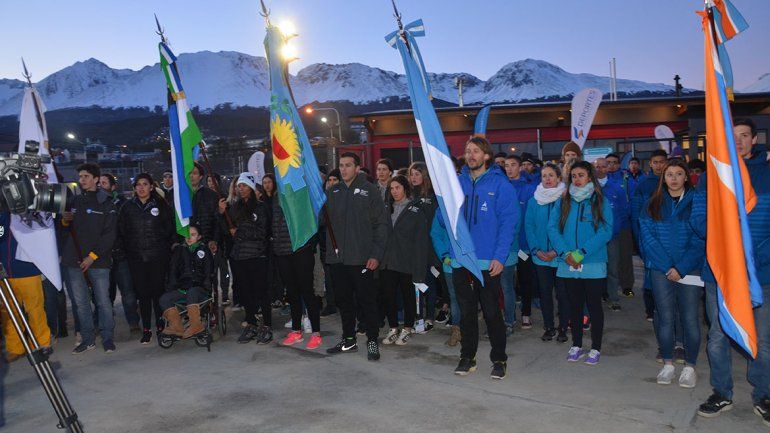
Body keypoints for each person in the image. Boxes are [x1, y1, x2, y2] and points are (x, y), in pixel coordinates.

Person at [693, 119, 770, 425]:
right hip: (720, 272)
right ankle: (721, 391)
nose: (737, 141)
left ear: (754, 139)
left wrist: (752, 256)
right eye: (731, 136)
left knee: (762, 339)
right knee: (717, 337)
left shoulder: (766, 175)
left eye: (744, 136)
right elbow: (698, 220)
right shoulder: (710, 177)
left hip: (761, 273)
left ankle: (763, 393)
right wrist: (726, 248)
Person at [436, 137, 517, 379]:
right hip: (461, 260)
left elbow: (508, 224)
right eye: (468, 151)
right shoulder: (456, 184)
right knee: (466, 312)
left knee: (492, 313)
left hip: (487, 262)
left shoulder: (501, 185)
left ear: (487, 156)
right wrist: (444, 204)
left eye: (476, 151)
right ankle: (467, 356)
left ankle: (499, 359)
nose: (470, 155)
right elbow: (443, 222)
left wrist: (500, 257)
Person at [639, 159, 704, 388]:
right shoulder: (652, 204)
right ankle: (668, 363)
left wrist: (682, 267)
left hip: (691, 270)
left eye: (678, 174)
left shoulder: (698, 202)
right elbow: (647, 238)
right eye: (669, 174)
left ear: (686, 177)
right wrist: (668, 266)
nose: (673, 178)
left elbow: (701, 238)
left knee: (689, 319)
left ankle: (690, 366)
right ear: (663, 178)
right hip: (661, 270)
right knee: (665, 318)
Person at [324, 152, 389, 361]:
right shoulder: (333, 192)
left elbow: (381, 225)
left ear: (358, 168)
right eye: (341, 166)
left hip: (362, 259)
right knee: (344, 302)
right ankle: (349, 339)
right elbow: (322, 222)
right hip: (338, 260)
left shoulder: (370, 191)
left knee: (367, 302)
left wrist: (376, 254)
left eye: (348, 165)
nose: (343, 169)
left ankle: (372, 341)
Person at [548, 161, 613, 365]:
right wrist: (566, 253)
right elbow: (552, 228)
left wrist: (581, 253)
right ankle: (576, 344)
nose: (577, 179)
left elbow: (606, 231)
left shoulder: (600, 200)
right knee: (573, 306)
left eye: (581, 175)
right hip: (567, 263)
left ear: (590, 177)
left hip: (592, 262)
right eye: (574, 175)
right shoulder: (564, 200)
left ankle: (595, 347)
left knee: (594, 306)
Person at [61, 163, 118, 354]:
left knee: (103, 301)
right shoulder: (75, 201)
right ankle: (87, 339)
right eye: (80, 176)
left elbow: (109, 235)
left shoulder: (107, 202)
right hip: (73, 260)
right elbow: (67, 227)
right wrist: (65, 219)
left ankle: (108, 338)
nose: (82, 179)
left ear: (95, 179)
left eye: (86, 176)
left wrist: (92, 257)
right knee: (80, 302)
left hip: (98, 261)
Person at [118, 173, 176, 344]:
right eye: (138, 184)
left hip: (158, 257)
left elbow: (170, 230)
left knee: (158, 292)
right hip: (136, 258)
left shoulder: (162, 206)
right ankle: (146, 329)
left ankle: (160, 325)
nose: (141, 187)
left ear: (151, 187)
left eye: (145, 184)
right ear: (134, 188)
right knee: (142, 294)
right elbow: (121, 232)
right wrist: (122, 253)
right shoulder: (127, 207)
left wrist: (169, 247)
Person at [219, 173, 272, 344]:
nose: (240, 189)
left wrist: (240, 232)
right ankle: (251, 323)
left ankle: (267, 326)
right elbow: (228, 231)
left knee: (261, 291)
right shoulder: (234, 207)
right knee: (246, 293)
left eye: (244, 186)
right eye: (238, 186)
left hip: (257, 255)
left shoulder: (261, 207)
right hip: (239, 256)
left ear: (251, 187)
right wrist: (221, 215)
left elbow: (262, 232)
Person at [273, 184, 323, 351]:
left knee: (307, 292)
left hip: (301, 251)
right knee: (292, 293)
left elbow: (312, 223)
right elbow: (275, 225)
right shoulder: (276, 198)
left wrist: (306, 245)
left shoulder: (303, 195)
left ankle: (316, 332)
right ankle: (296, 330)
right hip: (282, 252)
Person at [380, 175, 429, 346]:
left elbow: (421, 241)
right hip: (388, 262)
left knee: (409, 297)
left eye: (397, 188)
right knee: (388, 296)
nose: (394, 191)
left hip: (407, 262)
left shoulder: (415, 209)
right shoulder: (386, 208)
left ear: (405, 189)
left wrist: (420, 267)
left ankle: (407, 328)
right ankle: (393, 328)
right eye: (391, 188)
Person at [526, 163, 569, 342]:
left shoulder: (567, 199)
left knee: (563, 294)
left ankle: (563, 328)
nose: (548, 179)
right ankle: (549, 326)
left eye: (551, 175)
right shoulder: (534, 200)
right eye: (544, 176)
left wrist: (557, 251)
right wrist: (536, 249)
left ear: (558, 178)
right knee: (545, 293)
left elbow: (568, 228)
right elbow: (529, 226)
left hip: (560, 257)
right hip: (540, 257)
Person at [0, 212, 51, 362]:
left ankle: (42, 343)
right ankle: (15, 347)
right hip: (5, 273)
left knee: (35, 308)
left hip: (27, 269)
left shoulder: (28, 213)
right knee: (9, 312)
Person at [99, 173, 140, 333]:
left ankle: (133, 321)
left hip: (121, 255)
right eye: (99, 183)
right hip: (102, 256)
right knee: (104, 295)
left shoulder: (123, 204)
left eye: (104, 183)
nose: (101, 186)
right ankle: (104, 325)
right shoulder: (96, 204)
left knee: (128, 292)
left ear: (113, 186)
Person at [160, 224, 213, 339]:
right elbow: (173, 270)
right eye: (187, 235)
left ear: (199, 237)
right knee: (165, 299)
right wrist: (171, 287)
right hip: (183, 288)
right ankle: (176, 326)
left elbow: (209, 271)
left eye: (193, 235)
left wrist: (208, 287)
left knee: (192, 292)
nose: (189, 237)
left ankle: (196, 325)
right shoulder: (179, 250)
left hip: (200, 288)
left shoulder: (204, 250)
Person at [631, 149, 668, 318]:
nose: (659, 165)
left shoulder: (672, 182)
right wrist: (639, 239)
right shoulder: (643, 185)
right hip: (647, 239)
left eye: (662, 162)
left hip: (668, 239)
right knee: (650, 275)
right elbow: (636, 213)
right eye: (656, 162)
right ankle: (650, 310)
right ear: (650, 164)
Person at [503, 155, 536, 333]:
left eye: (513, 165)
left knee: (525, 280)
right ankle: (508, 315)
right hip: (506, 245)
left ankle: (526, 312)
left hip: (523, 243)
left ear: (520, 168)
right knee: (506, 283)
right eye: (506, 165)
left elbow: (529, 219)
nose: (509, 169)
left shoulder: (529, 189)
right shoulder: (501, 187)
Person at [408, 161, 440, 333]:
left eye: (417, 174)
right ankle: (417, 316)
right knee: (415, 282)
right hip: (411, 248)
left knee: (429, 282)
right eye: (412, 174)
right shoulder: (408, 195)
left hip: (428, 247)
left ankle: (429, 317)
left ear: (424, 176)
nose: (414, 177)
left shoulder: (432, 196)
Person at [594, 157, 629, 311]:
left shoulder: (616, 188)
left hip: (612, 237)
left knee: (613, 268)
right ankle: (597, 296)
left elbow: (623, 211)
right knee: (596, 268)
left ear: (608, 168)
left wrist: (615, 229)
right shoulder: (589, 188)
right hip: (594, 237)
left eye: (603, 166)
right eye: (597, 166)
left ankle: (613, 298)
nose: (600, 169)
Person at [604, 153, 636, 299]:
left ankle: (627, 286)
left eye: (614, 162)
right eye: (608, 163)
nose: (611, 165)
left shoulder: (626, 179)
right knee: (607, 260)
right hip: (604, 227)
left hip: (623, 225)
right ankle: (607, 289)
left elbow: (632, 202)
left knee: (625, 257)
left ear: (619, 164)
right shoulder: (600, 181)